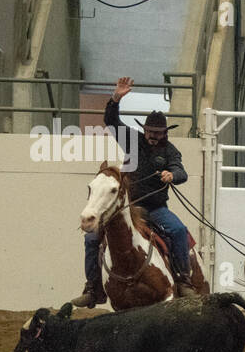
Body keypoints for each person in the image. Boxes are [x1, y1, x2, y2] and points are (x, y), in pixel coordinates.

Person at [71, 76, 195, 306]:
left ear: (165, 133)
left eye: (158, 133)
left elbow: (181, 171)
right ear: (144, 129)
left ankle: (183, 281)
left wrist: (172, 175)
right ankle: (93, 289)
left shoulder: (170, 151)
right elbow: (111, 120)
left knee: (178, 231)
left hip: (156, 208)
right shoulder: (132, 140)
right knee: (91, 239)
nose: (153, 136)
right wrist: (116, 98)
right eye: (150, 131)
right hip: (128, 207)